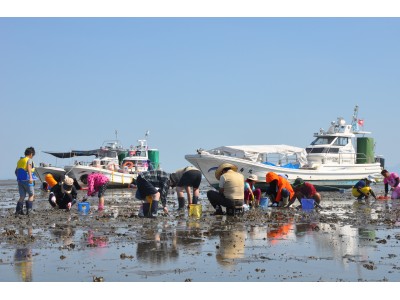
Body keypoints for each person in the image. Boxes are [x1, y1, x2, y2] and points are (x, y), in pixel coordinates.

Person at [15, 147, 38, 216]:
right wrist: (30, 178)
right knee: (31, 195)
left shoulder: (20, 161)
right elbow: (29, 168)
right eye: (33, 155)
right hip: (28, 180)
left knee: (22, 196)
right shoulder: (29, 160)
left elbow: (16, 171)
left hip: (20, 181)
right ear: (31, 154)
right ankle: (29, 210)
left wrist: (19, 178)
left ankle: (18, 210)